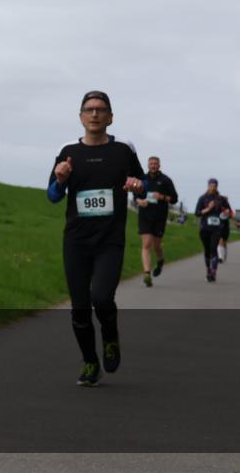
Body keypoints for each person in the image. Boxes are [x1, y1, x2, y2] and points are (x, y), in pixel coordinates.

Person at [48, 91, 146, 386]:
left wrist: (136, 185)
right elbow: (53, 196)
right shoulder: (68, 152)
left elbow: (141, 187)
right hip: (76, 241)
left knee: (101, 297)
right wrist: (61, 179)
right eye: (89, 109)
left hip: (109, 240)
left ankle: (111, 337)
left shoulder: (123, 152)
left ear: (110, 117)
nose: (94, 114)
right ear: (80, 117)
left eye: (101, 109)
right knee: (79, 308)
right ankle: (90, 362)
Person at [134, 156, 178, 287]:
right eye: (151, 163)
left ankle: (160, 260)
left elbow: (174, 199)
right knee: (146, 244)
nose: (153, 165)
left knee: (156, 246)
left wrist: (162, 197)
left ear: (159, 165)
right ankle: (147, 273)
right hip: (145, 215)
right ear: (148, 165)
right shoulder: (142, 178)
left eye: (155, 163)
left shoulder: (166, 180)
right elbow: (135, 194)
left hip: (159, 216)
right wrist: (139, 201)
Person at [194, 179, 228, 282]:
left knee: (214, 249)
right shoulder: (203, 198)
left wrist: (226, 212)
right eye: (211, 185)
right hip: (204, 228)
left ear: (217, 186)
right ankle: (208, 270)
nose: (212, 187)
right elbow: (197, 213)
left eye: (214, 185)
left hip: (217, 229)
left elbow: (229, 211)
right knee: (207, 250)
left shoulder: (221, 199)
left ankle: (213, 272)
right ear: (208, 186)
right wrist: (208, 209)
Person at [217, 195, 235, 263]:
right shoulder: (218, 207)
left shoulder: (228, 208)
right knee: (220, 240)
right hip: (219, 226)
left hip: (226, 226)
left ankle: (223, 253)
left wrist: (229, 214)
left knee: (224, 242)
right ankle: (220, 257)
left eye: (226, 200)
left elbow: (233, 215)